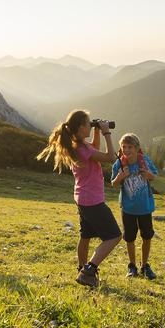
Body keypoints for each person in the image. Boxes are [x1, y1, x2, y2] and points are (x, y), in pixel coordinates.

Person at [37, 110, 121, 288]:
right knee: (114, 236)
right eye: (89, 123)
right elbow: (110, 157)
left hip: (83, 198)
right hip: (93, 200)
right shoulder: (81, 149)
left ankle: (82, 269)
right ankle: (89, 270)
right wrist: (107, 132)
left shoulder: (79, 144)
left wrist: (97, 131)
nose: (91, 125)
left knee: (86, 236)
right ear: (82, 127)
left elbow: (93, 150)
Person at [111, 133, 159, 279]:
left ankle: (145, 266)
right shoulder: (119, 164)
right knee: (130, 238)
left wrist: (148, 174)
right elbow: (113, 184)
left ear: (137, 148)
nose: (126, 150)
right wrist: (120, 177)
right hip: (128, 209)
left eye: (130, 147)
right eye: (123, 147)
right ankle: (132, 266)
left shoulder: (145, 161)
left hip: (145, 207)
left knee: (147, 237)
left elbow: (154, 176)